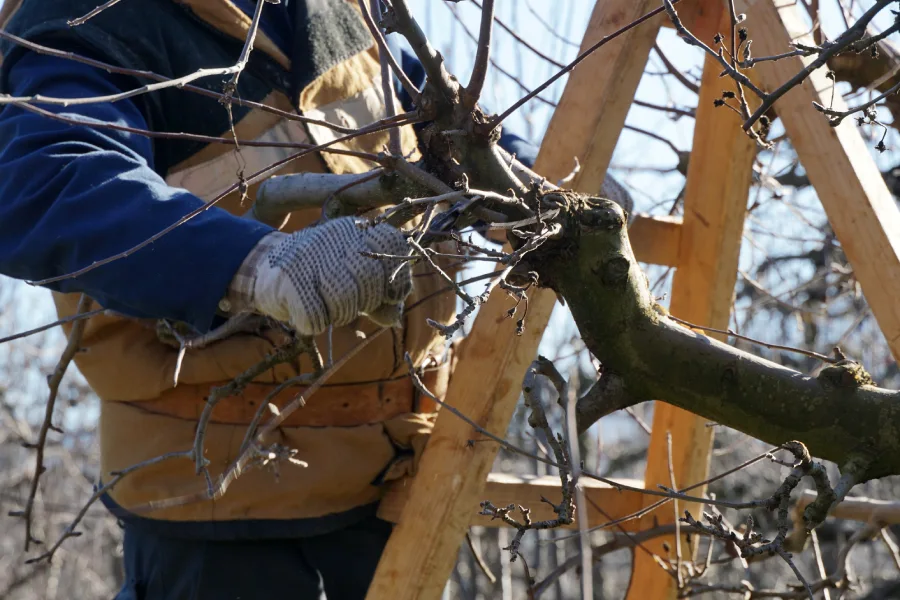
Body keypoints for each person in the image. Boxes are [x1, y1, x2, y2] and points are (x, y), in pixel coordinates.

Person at [0, 1, 632, 597]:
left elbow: (438, 122)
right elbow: (47, 176)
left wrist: (535, 188)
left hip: (398, 480)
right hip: (223, 511)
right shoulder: (87, 17)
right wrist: (257, 265)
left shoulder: (338, 9)